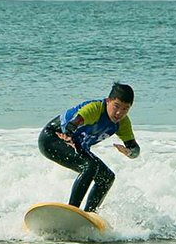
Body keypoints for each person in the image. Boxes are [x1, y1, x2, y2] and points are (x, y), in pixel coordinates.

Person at [38, 82, 140, 213]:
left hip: (76, 145)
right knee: (89, 166)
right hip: (51, 139)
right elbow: (74, 122)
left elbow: (135, 149)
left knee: (107, 177)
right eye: (116, 106)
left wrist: (130, 152)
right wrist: (68, 134)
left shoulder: (122, 123)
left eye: (125, 109)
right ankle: (72, 211)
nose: (119, 112)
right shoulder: (95, 109)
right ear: (108, 101)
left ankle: (89, 216)